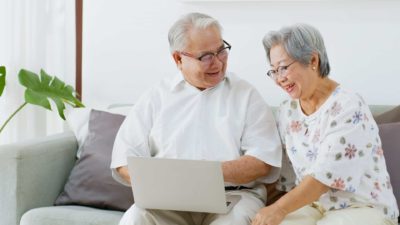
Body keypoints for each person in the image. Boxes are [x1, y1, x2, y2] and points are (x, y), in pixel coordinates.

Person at [111, 12, 282, 225]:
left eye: (221, 51)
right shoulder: (156, 97)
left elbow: (262, 162)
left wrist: (203, 176)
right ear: (178, 59)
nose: (218, 62)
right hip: (168, 201)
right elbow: (122, 162)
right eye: (206, 56)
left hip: (234, 197)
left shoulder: (246, 95)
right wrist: (163, 182)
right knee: (134, 219)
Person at [252, 23, 399, 225]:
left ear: (313, 59)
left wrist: (278, 209)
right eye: (274, 71)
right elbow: (280, 174)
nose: (279, 79)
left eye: (284, 68)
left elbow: (324, 177)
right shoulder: (287, 111)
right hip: (314, 206)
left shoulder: (348, 105)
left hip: (363, 206)